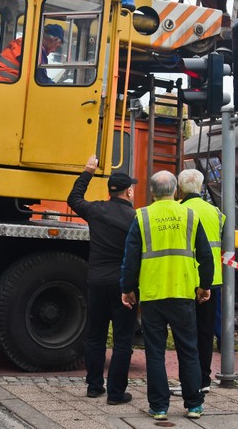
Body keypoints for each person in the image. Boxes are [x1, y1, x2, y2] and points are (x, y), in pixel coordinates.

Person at [120, 170, 214, 421]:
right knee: (188, 350)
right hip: (183, 292)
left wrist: (127, 289)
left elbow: (130, 260)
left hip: (152, 295)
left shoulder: (143, 216)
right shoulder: (190, 215)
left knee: (155, 353)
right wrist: (205, 285)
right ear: (176, 191)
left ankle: (159, 407)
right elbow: (205, 255)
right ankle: (194, 404)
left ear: (152, 192)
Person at [67, 155, 138, 405]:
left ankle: (94, 386)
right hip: (123, 286)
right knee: (122, 340)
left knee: (95, 335)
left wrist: (87, 172)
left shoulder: (96, 210)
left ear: (110, 191)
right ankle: (117, 393)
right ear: (128, 191)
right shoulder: (135, 219)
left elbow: (73, 199)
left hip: (96, 281)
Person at [178, 169, 225, 393]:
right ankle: (204, 380)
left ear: (179, 189)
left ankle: (189, 380)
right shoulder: (215, 212)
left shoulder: (179, 211)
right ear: (201, 187)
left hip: (186, 281)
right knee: (205, 333)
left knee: (187, 334)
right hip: (211, 282)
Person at [0, 24, 64, 84]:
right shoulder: (34, 50)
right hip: (8, 86)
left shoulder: (25, 42)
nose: (54, 50)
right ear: (53, 39)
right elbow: (42, 80)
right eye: (56, 46)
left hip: (2, 83)